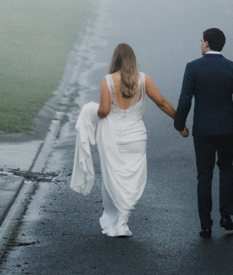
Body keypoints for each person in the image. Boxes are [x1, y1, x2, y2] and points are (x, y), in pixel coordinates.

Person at [70, 43, 176, 237]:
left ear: (115, 59)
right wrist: (179, 121)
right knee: (131, 179)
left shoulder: (108, 80)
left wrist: (89, 109)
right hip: (136, 136)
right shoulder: (144, 79)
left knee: (113, 177)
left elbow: (103, 111)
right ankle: (122, 220)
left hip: (113, 138)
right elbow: (161, 102)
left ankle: (117, 222)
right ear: (133, 60)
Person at [174, 27, 233, 238]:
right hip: (228, 127)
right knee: (226, 169)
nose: (200, 43)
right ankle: (227, 216)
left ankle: (205, 224)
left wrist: (179, 124)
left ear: (207, 43)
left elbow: (185, 100)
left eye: (201, 40)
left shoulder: (193, 68)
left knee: (204, 175)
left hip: (203, 129)